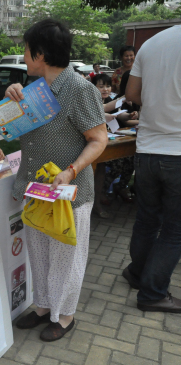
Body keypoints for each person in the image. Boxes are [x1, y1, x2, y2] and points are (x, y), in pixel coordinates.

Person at [5, 19, 107, 341]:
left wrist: (71, 170)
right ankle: (42, 306)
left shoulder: (80, 89)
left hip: (68, 191)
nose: (23, 55)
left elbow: (99, 139)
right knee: (38, 251)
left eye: (26, 49)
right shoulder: (32, 89)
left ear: (41, 53)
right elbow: (7, 130)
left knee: (67, 255)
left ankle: (64, 316)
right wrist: (9, 102)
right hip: (36, 188)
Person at [123, 25, 181, 313]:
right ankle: (153, 292)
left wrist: (159, 103)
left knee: (147, 220)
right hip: (178, 154)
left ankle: (138, 274)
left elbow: (132, 93)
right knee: (174, 230)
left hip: (147, 150)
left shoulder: (153, 42)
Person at [90, 74, 136, 217]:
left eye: (107, 86)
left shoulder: (109, 100)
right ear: (93, 87)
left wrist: (127, 114)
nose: (105, 89)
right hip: (92, 146)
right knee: (99, 170)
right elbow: (102, 111)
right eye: (101, 86)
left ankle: (100, 200)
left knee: (126, 161)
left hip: (107, 142)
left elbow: (115, 114)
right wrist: (122, 99)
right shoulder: (90, 100)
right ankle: (95, 202)